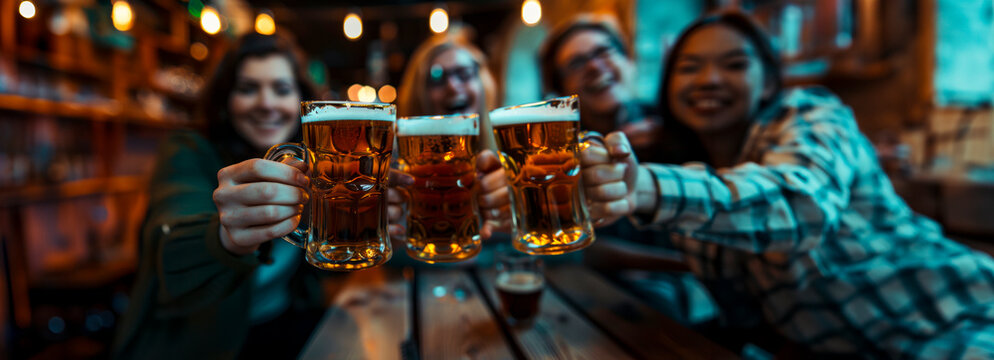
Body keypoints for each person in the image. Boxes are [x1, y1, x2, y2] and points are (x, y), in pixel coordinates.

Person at [581, 11, 994, 358]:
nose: (709, 79)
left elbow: (801, 204)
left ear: (770, 82)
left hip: (964, 323)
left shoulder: (812, 112)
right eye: (689, 67)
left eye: (735, 64)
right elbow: (746, 315)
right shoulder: (689, 172)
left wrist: (646, 187)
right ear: (668, 89)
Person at [113, 33, 331, 359]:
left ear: (302, 102)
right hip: (196, 347)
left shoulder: (313, 162)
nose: (266, 103)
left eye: (282, 89)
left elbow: (320, 259)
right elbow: (169, 239)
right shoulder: (189, 150)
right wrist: (225, 238)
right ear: (225, 102)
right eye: (247, 89)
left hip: (283, 327)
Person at [391, 28, 511, 253]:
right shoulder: (396, 168)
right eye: (436, 78)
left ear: (483, 84)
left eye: (464, 74)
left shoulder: (513, 151)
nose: (452, 86)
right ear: (419, 94)